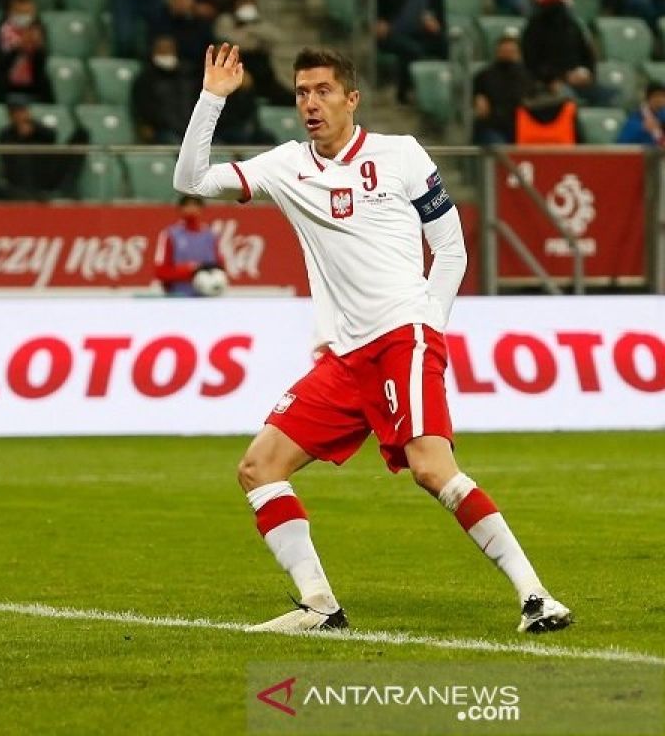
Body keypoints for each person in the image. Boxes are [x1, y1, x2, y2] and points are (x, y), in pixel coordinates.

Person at [173, 43, 572, 634]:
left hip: (400, 336)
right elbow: (191, 179)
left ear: (352, 99)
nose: (311, 103)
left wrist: (425, 326)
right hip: (345, 357)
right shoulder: (286, 166)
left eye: (324, 91)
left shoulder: (401, 156)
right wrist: (212, 99)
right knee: (259, 468)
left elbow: (453, 250)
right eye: (302, 93)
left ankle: (536, 596)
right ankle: (318, 607)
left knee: (431, 469)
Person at [375, 0, 448, 104]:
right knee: (411, 49)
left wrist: (435, 27)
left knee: (446, 45)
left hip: (422, 35)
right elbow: (375, 2)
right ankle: (404, 94)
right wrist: (380, 20)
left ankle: (443, 92)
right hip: (393, 34)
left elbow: (441, 27)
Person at [132, 34, 201, 144]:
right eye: (162, 50)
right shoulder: (146, 78)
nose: (166, 54)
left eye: (169, 50)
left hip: (192, 127)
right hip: (164, 130)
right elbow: (142, 107)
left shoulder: (188, 75)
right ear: (154, 52)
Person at [153, 194, 226, 296]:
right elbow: (161, 271)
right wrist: (191, 270)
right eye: (187, 205)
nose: (191, 208)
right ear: (180, 209)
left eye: (195, 204)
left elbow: (221, 267)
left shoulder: (211, 236)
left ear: (201, 208)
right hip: (178, 297)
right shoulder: (170, 235)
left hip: (207, 298)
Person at [472, 34, 536, 145]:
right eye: (504, 50)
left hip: (522, 126)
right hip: (492, 126)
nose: (507, 53)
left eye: (511, 51)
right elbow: (473, 97)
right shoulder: (484, 75)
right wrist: (477, 99)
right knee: (499, 145)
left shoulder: (529, 76)